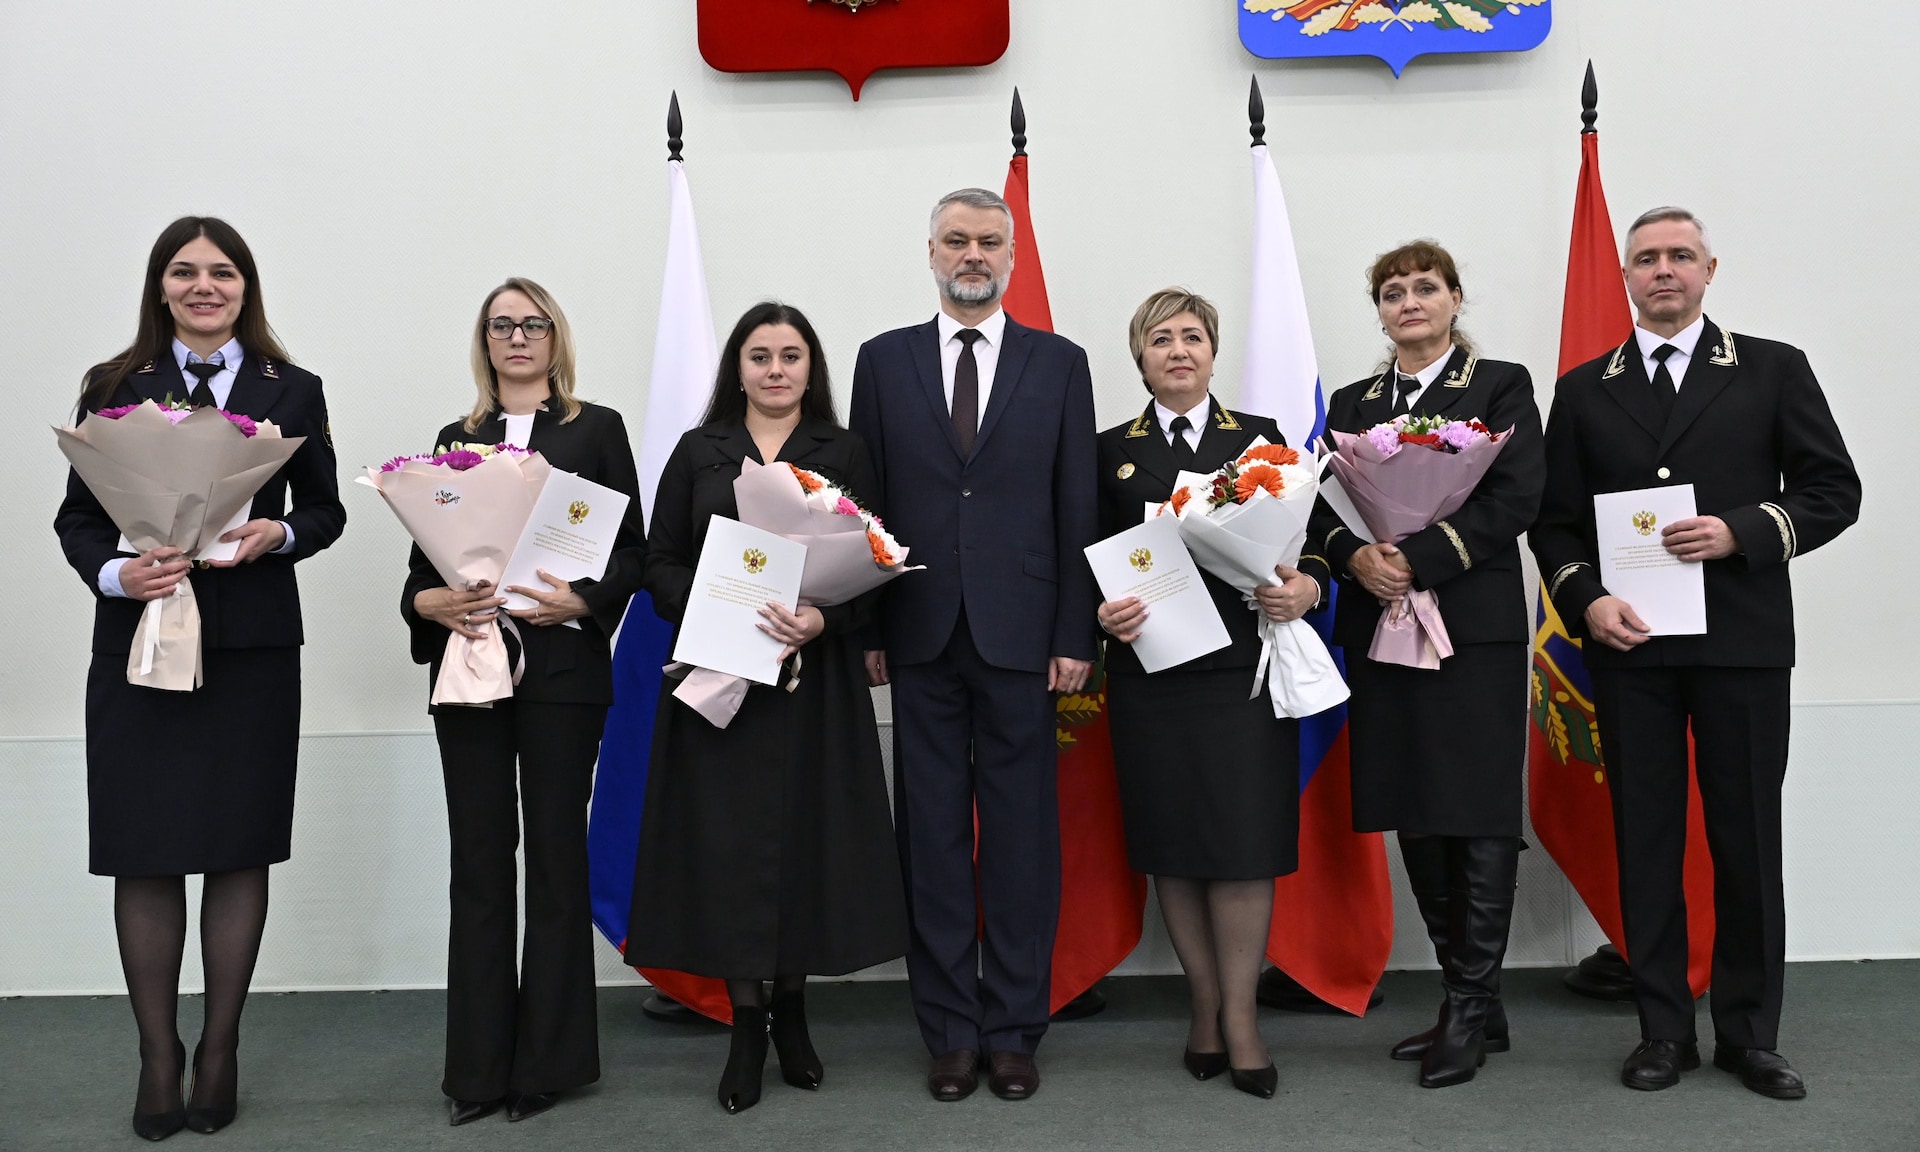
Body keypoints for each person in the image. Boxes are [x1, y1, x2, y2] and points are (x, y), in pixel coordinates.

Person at [1531, 208, 1859, 1098]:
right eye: (1646, 259)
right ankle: (1662, 1032)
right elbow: (1554, 525)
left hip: (1742, 644)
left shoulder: (1772, 368)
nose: (1664, 270)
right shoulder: (1585, 389)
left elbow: (1834, 490)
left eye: (1681, 255)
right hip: (1630, 648)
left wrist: (1743, 529)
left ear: (1711, 269)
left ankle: (1751, 1036)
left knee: (1746, 840)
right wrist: (1587, 600)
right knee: (1646, 842)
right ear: (1626, 278)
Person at [53, 216, 346, 1140]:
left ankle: (220, 1049)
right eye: (184, 272)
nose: (204, 286)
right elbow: (78, 520)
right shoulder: (113, 385)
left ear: (246, 287)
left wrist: (279, 533)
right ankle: (156, 1054)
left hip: (251, 648)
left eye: (222, 272)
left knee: (236, 845)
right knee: (143, 848)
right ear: (161, 287)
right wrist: (119, 573)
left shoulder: (293, 389)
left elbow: (327, 509)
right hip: (138, 645)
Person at [848, 188, 1098, 1102]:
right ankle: (951, 1032)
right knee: (933, 840)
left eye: (990, 241)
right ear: (930, 252)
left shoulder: (1059, 363)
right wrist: (868, 625)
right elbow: (864, 505)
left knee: (1022, 839)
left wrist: (1074, 630)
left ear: (1012, 256)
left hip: (1025, 637)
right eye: (956, 240)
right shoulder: (882, 360)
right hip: (917, 630)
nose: (972, 255)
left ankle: (1015, 1030)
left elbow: (1077, 503)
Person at [630, 302, 907, 1114]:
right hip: (719, 676)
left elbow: (881, 563)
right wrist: (721, 601)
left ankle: (793, 1009)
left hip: (813, 683)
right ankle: (745, 1022)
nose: (776, 369)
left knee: (805, 840)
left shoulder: (844, 451)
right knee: (727, 847)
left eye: (791, 355)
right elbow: (657, 560)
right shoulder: (700, 450)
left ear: (811, 368)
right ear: (738, 368)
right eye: (760, 356)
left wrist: (825, 619)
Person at [400, 278, 645, 1125]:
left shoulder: (596, 429)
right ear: (485, 340)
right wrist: (427, 604)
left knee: (554, 857)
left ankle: (549, 1062)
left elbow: (632, 553)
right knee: (478, 861)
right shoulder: (453, 439)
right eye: (501, 325)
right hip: (470, 667)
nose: (516, 337)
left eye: (532, 324)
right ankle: (477, 1070)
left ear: (554, 337)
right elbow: (422, 569)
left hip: (563, 674)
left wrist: (584, 600)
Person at [1308, 241, 1543, 1088]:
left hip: (1472, 628)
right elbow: (1314, 506)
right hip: (1383, 627)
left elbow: (1517, 497)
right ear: (1379, 311)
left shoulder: (1499, 386)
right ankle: (1470, 998)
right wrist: (1354, 557)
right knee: (1415, 804)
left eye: (1425, 287)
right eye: (1392, 292)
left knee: (1476, 811)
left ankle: (1470, 1009)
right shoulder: (1353, 403)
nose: (1409, 301)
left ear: (1454, 299)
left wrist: (1418, 556)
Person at [1094, 288, 1326, 1099]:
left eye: (1193, 336)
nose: (1179, 350)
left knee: (1242, 844)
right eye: (1161, 338)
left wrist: (1307, 587)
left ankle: (1242, 1018)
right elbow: (1083, 557)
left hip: (1241, 673)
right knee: (1176, 846)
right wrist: (1099, 616)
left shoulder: (1259, 440)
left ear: (1214, 352)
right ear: (1141, 356)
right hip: (1151, 676)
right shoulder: (1106, 453)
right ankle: (1203, 1005)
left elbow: (1312, 542)